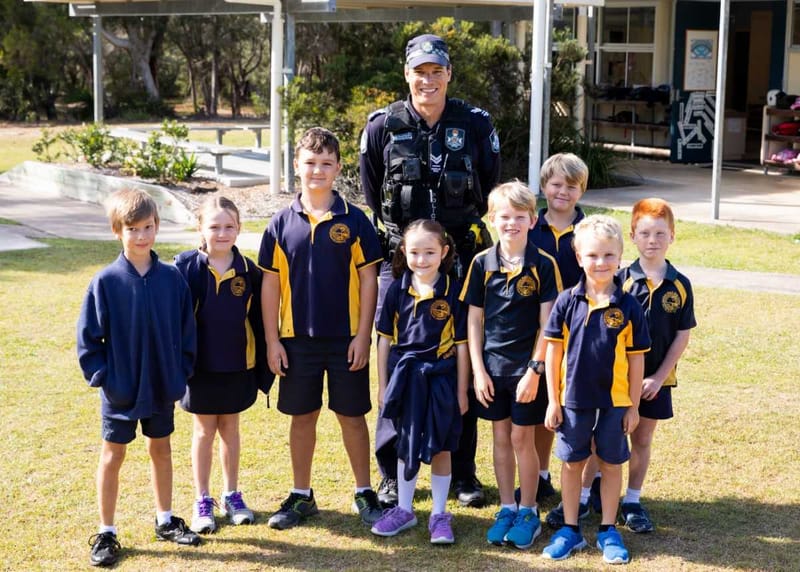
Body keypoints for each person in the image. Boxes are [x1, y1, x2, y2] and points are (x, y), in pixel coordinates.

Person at [360, 32, 502, 508]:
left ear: (448, 75)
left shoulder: (475, 123)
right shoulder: (383, 125)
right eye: (419, 72)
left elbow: (490, 183)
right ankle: (391, 471)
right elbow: (372, 189)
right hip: (402, 261)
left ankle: (462, 472)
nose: (428, 80)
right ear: (407, 75)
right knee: (397, 360)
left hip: (460, 262)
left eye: (436, 71)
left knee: (456, 362)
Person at [259, 127, 384, 530]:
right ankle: (301, 494)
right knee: (303, 417)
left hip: (347, 340)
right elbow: (271, 284)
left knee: (352, 416)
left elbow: (369, 280)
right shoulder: (280, 223)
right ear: (297, 166)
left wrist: (363, 336)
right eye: (310, 163)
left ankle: (365, 491)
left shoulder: (355, 220)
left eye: (326, 164)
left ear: (338, 168)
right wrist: (273, 341)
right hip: (296, 342)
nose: (318, 170)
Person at [77, 189, 200, 568]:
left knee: (160, 450)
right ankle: (107, 531)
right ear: (118, 231)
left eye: (148, 227)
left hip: (163, 386)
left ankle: (165, 519)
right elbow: (89, 339)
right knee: (112, 455)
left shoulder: (172, 279)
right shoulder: (105, 282)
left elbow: (186, 331)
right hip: (121, 390)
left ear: (157, 227)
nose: (142, 236)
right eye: (133, 229)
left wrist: (180, 373)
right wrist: (105, 378)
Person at [540, 215, 651, 565]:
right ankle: (570, 529)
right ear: (578, 257)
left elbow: (635, 361)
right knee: (572, 463)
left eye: (608, 255)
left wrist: (632, 406)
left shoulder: (629, 305)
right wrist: (552, 401)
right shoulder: (565, 302)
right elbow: (553, 352)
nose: (600, 263)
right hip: (572, 400)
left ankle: (607, 530)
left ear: (620, 257)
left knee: (612, 462)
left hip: (615, 402)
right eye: (592, 255)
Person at [461, 181, 561, 550]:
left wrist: (535, 371)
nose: (512, 223)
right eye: (504, 216)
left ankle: (529, 511)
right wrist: (478, 369)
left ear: (533, 220)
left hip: (527, 373)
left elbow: (549, 325)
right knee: (500, 437)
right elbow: (474, 320)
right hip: (491, 370)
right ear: (492, 219)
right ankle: (506, 507)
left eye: (520, 216)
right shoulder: (480, 263)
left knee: (523, 438)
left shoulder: (544, 265)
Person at [174, 196, 273, 534]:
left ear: (239, 229)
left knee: (230, 429)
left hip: (236, 364)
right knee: (204, 431)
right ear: (200, 228)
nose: (222, 233)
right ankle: (202, 499)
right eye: (214, 226)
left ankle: (232, 494)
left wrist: (264, 365)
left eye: (229, 226)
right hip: (199, 368)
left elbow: (260, 320)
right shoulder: (184, 268)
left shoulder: (248, 270)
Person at [370, 219, 469, 544]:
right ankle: (404, 509)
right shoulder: (397, 289)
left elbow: (462, 345)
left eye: (429, 252)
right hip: (405, 379)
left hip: (441, 378)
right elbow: (383, 341)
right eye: (415, 252)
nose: (422, 259)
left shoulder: (454, 290)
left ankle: (439, 515)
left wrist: (461, 390)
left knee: (441, 445)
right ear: (403, 252)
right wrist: (383, 386)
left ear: (444, 252)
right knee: (406, 441)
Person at [526, 153, 600, 524]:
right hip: (539, 332)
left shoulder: (590, 231)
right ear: (544, 187)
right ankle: (540, 475)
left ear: (581, 190)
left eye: (571, 186)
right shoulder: (529, 227)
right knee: (544, 405)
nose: (562, 192)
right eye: (556, 184)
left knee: (576, 408)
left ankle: (589, 483)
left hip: (581, 334)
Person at [617, 198, 696, 533]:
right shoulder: (620, 279)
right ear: (633, 236)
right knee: (604, 436)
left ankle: (632, 500)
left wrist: (659, 376)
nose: (652, 240)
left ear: (672, 236)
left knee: (643, 438)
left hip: (656, 381)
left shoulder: (680, 285)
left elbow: (682, 335)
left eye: (660, 233)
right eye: (645, 233)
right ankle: (590, 493)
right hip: (617, 379)